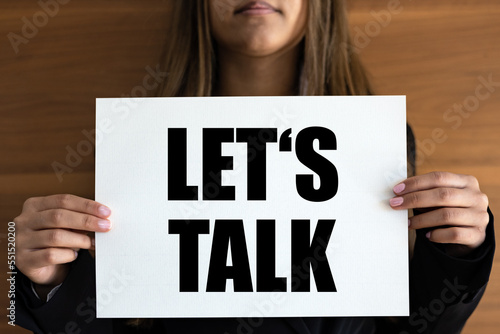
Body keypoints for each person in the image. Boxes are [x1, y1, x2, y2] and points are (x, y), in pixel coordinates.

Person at [13, 1, 495, 333]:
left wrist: (462, 251)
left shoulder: (381, 140)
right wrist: (40, 280)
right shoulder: (137, 144)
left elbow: (424, 326)